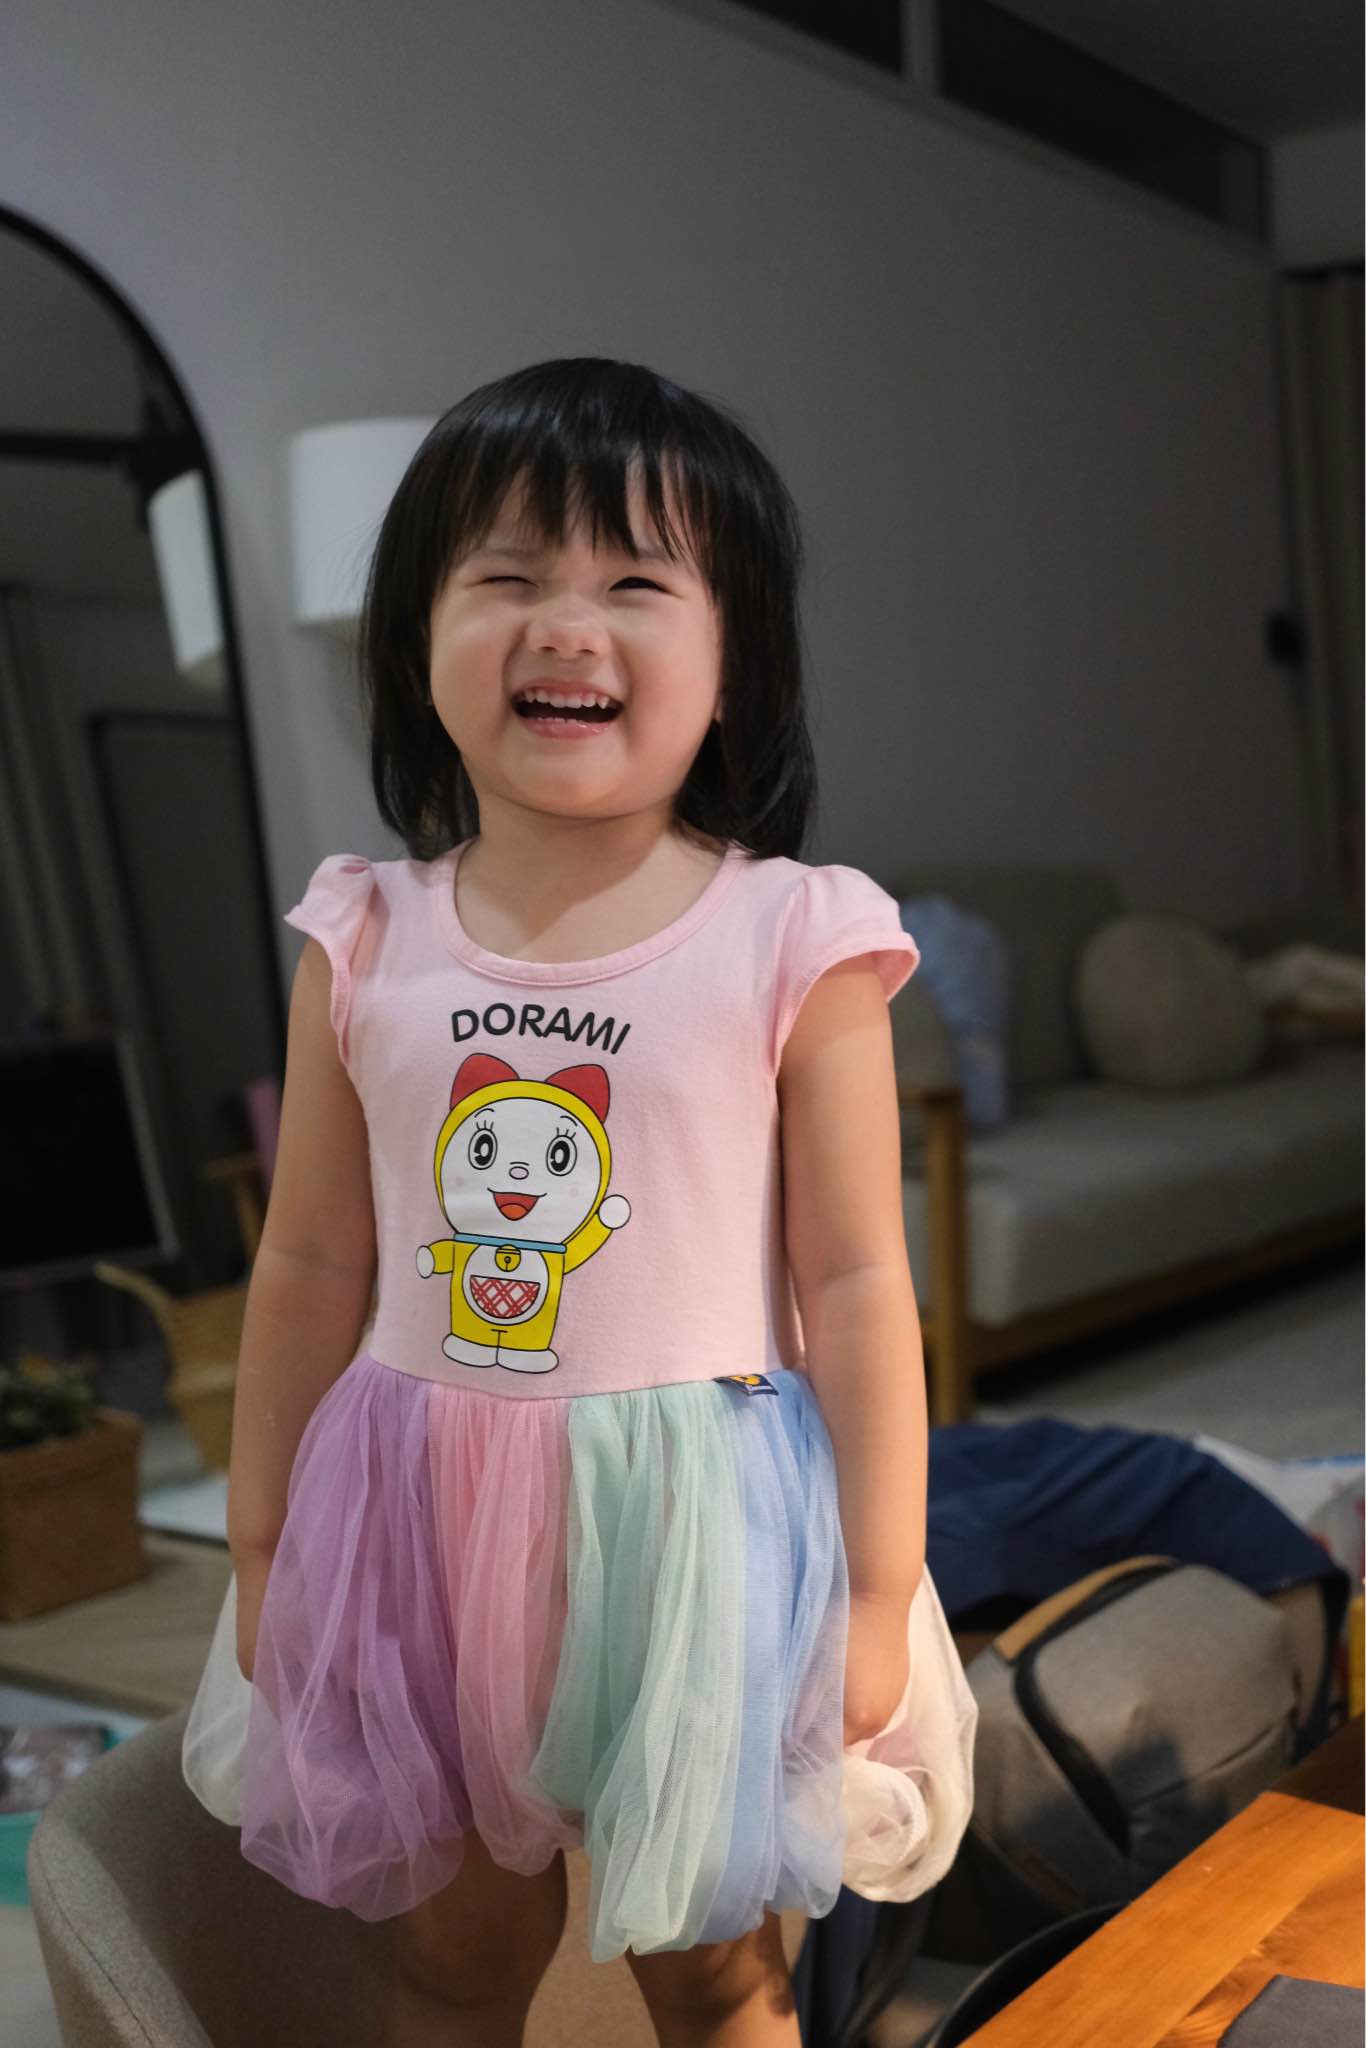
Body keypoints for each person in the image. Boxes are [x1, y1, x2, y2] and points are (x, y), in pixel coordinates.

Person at [182, 357, 977, 2048]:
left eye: (633, 583)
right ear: (416, 638)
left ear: (733, 658)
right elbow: (309, 1257)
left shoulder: (797, 933)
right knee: (457, 1956)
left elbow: (854, 1283)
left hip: (698, 1532)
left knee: (717, 1968)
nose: (565, 624)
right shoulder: (364, 933)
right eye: (506, 576)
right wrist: (262, 1544)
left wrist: (872, 1591)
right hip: (415, 1525)